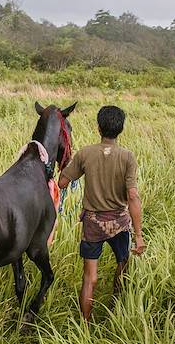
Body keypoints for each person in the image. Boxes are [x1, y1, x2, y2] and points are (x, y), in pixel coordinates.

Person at [58, 105, 146, 322]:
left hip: (93, 224)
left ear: (98, 128)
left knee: (90, 278)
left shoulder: (85, 154)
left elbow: (62, 183)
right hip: (119, 223)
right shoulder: (128, 157)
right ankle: (116, 304)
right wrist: (139, 235)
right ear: (121, 129)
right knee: (122, 264)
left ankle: (85, 325)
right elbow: (133, 196)